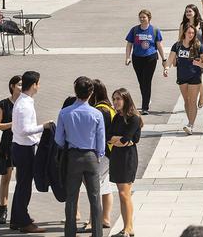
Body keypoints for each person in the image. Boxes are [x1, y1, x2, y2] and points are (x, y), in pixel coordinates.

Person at [55, 76, 105, 237]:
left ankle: (70, 233)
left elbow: (58, 139)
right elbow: (101, 140)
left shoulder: (65, 112)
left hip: (73, 156)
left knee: (71, 198)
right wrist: (99, 156)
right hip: (91, 156)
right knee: (95, 198)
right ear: (91, 93)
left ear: (75, 92)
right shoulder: (96, 114)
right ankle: (97, 234)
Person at [11, 70, 53, 233]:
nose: (39, 86)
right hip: (24, 149)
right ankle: (24, 221)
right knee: (24, 186)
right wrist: (44, 126)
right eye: (38, 83)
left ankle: (17, 218)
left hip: (22, 147)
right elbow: (24, 130)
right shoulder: (24, 105)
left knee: (22, 184)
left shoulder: (25, 101)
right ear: (34, 85)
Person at [80, 79, 116, 232]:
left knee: (93, 188)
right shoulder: (109, 108)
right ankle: (105, 218)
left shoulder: (100, 110)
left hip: (100, 153)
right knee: (105, 186)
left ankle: (92, 220)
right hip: (110, 152)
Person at [109, 88, 143, 237]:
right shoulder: (116, 117)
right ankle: (126, 228)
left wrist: (119, 140)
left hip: (128, 158)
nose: (115, 102)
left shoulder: (134, 118)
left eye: (118, 99)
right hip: (116, 156)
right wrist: (119, 140)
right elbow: (108, 137)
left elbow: (126, 139)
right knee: (122, 194)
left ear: (125, 100)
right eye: (114, 99)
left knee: (125, 193)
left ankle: (129, 228)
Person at [165, 23, 203, 135]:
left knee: (192, 101)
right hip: (182, 76)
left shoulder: (199, 46)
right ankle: (190, 122)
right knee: (186, 101)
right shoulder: (177, 45)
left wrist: (200, 64)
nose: (191, 34)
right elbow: (170, 59)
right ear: (184, 32)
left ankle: (190, 124)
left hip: (195, 76)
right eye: (189, 32)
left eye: (193, 33)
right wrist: (166, 68)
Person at [125, 9, 167, 115]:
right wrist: (127, 57)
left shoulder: (154, 30)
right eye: (140, 17)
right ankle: (146, 98)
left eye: (144, 17)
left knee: (147, 81)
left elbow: (159, 45)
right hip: (137, 58)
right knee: (141, 81)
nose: (142, 19)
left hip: (150, 58)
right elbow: (129, 44)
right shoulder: (134, 30)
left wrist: (164, 59)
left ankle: (145, 107)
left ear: (149, 18)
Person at [0, 75, 21, 225]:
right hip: (8, 143)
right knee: (6, 177)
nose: (22, 87)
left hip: (22, 143)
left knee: (21, 179)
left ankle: (19, 210)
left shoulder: (26, 103)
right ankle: (3, 211)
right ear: (12, 86)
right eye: (19, 85)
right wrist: (12, 124)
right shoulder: (3, 104)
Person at [180, 4, 203, 108]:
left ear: (195, 12)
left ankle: (201, 96)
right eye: (186, 11)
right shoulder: (183, 25)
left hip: (198, 54)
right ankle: (190, 99)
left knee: (198, 76)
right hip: (186, 55)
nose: (188, 13)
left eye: (190, 11)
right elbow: (180, 40)